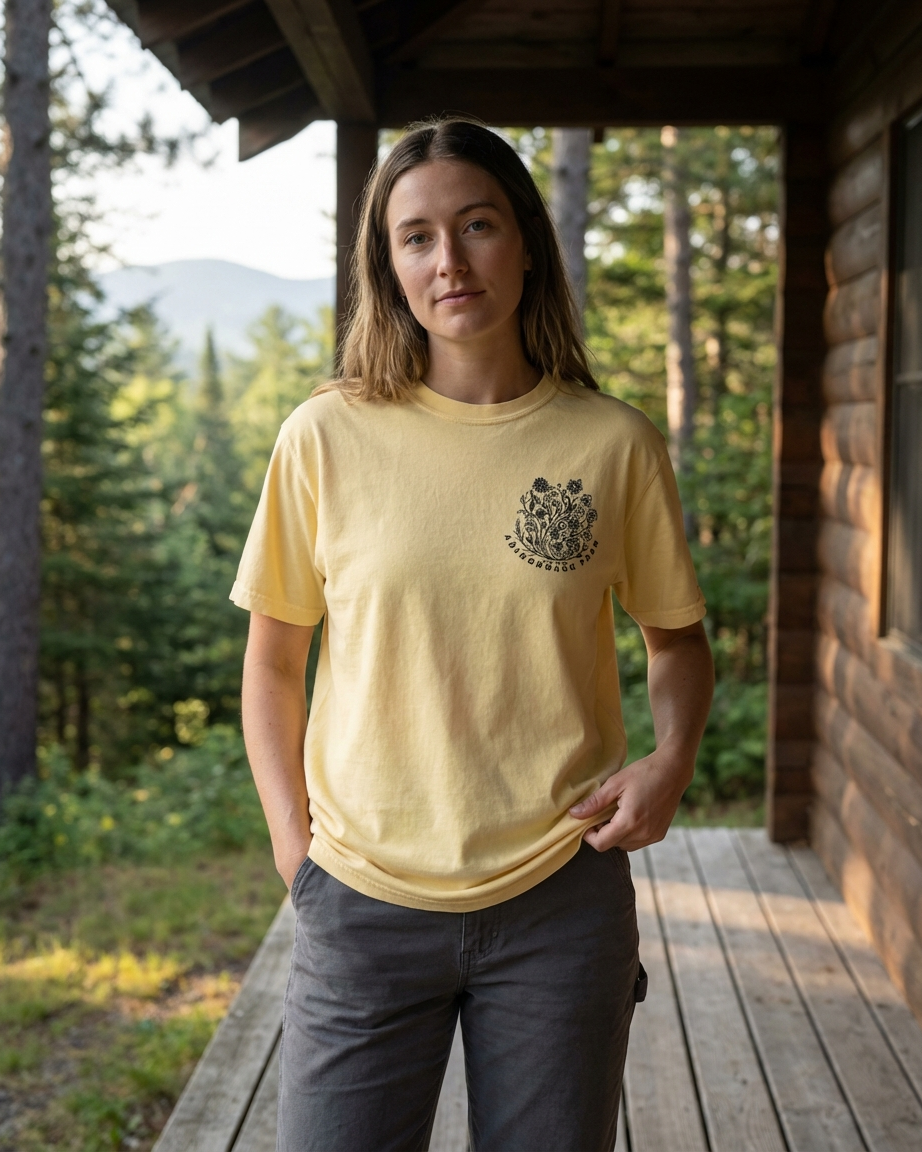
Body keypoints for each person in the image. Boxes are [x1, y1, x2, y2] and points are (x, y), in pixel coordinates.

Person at [232, 117, 714, 1152]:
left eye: (477, 224)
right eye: (416, 237)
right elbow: (273, 663)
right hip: (359, 901)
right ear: (388, 267)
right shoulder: (324, 437)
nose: (448, 260)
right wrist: (294, 853)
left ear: (525, 242)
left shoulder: (612, 443)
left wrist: (670, 760)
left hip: (560, 900)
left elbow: (676, 640)